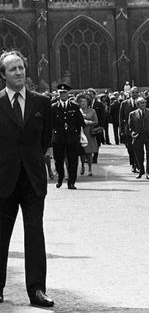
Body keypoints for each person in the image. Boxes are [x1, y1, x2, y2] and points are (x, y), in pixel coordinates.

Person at [0, 50, 54, 307]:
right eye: (13, 69)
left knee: (35, 234)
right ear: (3, 75)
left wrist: (31, 161)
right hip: (3, 180)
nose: (19, 73)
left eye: (21, 68)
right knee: (1, 235)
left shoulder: (41, 103)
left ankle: (37, 290)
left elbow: (44, 139)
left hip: (32, 180)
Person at [51, 83, 85, 190]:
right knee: (58, 160)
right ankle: (60, 177)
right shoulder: (54, 107)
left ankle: (71, 182)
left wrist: (78, 134)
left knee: (73, 160)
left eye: (64, 93)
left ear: (68, 93)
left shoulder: (74, 107)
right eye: (60, 93)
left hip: (72, 137)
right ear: (58, 94)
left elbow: (80, 122)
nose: (62, 95)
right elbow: (49, 123)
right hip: (58, 138)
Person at [128, 97, 149, 179]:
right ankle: (141, 170)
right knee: (139, 155)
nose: (143, 104)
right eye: (141, 103)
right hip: (138, 137)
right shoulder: (132, 114)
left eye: (144, 102)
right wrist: (133, 134)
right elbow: (130, 126)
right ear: (137, 105)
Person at [77, 94, 98, 177]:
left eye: (84, 101)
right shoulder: (77, 111)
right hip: (80, 133)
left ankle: (90, 168)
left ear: (88, 102)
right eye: (81, 101)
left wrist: (89, 122)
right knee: (81, 152)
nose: (83, 103)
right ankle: (82, 166)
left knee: (89, 153)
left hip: (89, 133)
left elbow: (96, 122)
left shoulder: (92, 111)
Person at [119, 86, 139, 173]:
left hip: (138, 128)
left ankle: (137, 164)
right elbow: (121, 117)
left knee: (138, 147)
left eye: (136, 92)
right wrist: (121, 130)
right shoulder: (124, 103)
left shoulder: (140, 103)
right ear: (130, 93)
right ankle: (133, 163)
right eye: (133, 92)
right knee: (129, 147)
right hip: (127, 129)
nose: (135, 94)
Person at [86, 88, 106, 163]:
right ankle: (88, 157)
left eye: (91, 94)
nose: (90, 96)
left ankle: (95, 157)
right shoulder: (85, 104)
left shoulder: (99, 104)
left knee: (97, 143)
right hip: (87, 127)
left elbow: (102, 116)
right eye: (88, 94)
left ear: (94, 95)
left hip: (97, 127)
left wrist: (102, 126)